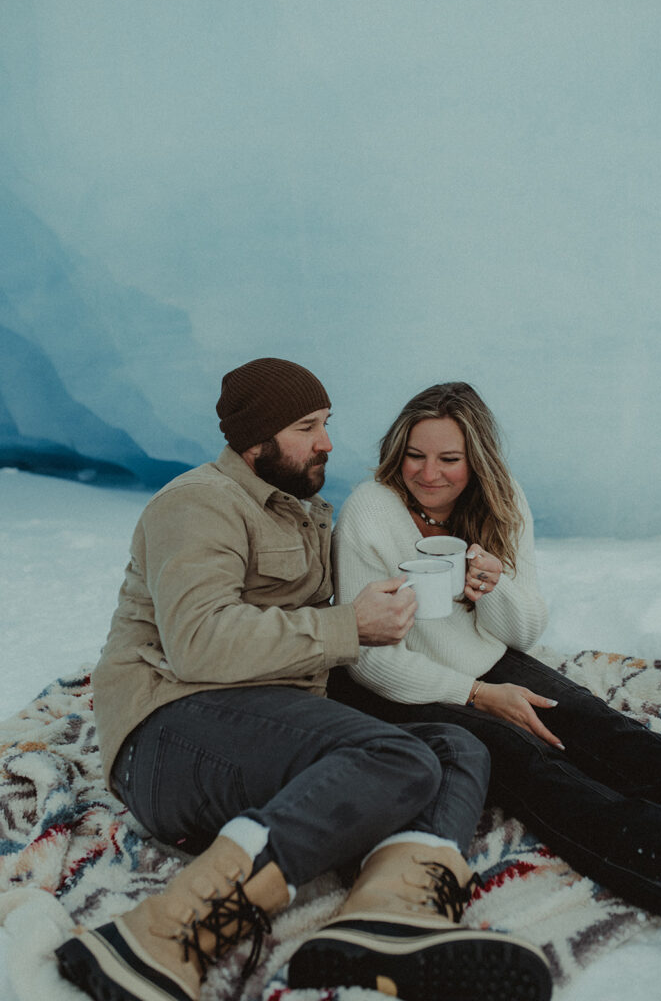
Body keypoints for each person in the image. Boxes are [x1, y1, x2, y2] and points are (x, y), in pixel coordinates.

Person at [55, 360, 552, 1001]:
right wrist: (349, 627)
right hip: (168, 735)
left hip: (262, 730)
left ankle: (389, 919)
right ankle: (161, 932)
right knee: (393, 755)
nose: (327, 441)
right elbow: (198, 643)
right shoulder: (197, 503)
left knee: (457, 748)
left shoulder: (304, 512)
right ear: (254, 438)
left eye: (326, 424)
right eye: (306, 426)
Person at [329, 380, 661, 926]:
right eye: (415, 456)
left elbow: (524, 631)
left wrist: (498, 586)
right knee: (534, 765)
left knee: (604, 730)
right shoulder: (369, 511)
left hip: (485, 659)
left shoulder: (501, 498)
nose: (429, 473)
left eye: (449, 458)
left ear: (477, 460)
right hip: (398, 683)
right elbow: (368, 659)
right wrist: (476, 695)